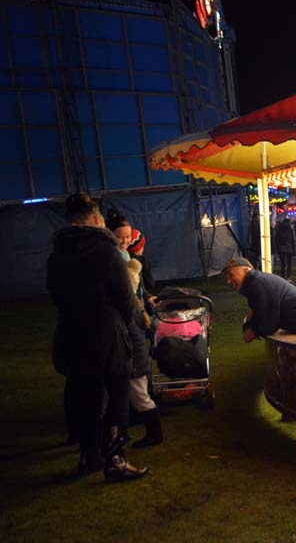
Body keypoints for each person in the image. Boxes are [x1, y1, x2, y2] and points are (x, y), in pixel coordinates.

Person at [47, 193, 149, 481]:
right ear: (94, 219)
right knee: (117, 395)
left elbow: (54, 295)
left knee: (85, 397)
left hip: (72, 335)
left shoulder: (58, 254)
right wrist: (127, 325)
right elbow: (125, 300)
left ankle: (88, 455)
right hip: (107, 336)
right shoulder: (104, 252)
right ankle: (115, 458)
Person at [124, 259, 163, 447]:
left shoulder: (129, 308)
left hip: (133, 359)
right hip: (135, 358)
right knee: (138, 395)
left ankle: (154, 435)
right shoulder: (135, 305)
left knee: (140, 396)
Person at [221, 257, 296, 342]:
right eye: (226, 278)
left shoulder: (258, 283)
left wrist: (253, 331)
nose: (228, 281)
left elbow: (269, 322)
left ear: (246, 270)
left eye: (231, 275)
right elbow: (260, 312)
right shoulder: (256, 282)